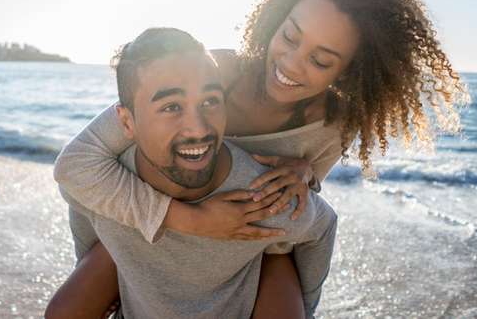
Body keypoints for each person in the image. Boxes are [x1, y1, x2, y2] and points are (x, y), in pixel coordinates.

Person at [52, 0, 468, 316]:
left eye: (320, 61)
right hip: (156, 208)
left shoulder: (333, 125)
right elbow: (80, 162)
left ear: (350, 71)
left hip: (249, 236)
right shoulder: (213, 73)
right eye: (289, 36)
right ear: (275, 19)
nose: (290, 64)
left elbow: (297, 208)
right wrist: (188, 220)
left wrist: (305, 175)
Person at [47, 28, 338, 319]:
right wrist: (111, 269)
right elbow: (76, 191)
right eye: (171, 107)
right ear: (126, 121)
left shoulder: (257, 197)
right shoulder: (107, 182)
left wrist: (303, 304)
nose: (198, 129)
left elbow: (322, 227)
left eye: (210, 101)